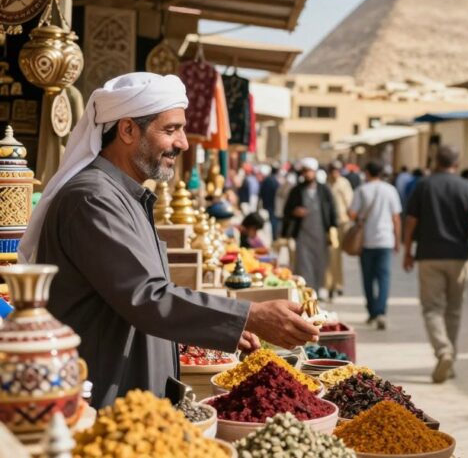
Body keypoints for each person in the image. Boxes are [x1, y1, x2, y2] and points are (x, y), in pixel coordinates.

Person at [18, 72, 319, 408]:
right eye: (171, 129)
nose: (183, 143)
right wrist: (247, 316)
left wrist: (227, 325)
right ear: (128, 129)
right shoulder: (92, 198)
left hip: (133, 397)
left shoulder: (124, 195)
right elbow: (146, 296)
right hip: (105, 399)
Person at [403, 146, 468, 383]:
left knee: (431, 308)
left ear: (434, 160)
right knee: (453, 310)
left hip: (429, 255)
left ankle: (443, 351)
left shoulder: (424, 185)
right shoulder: (467, 187)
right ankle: (449, 357)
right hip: (459, 256)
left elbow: (411, 220)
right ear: (458, 161)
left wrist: (407, 250)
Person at [349, 161, 402, 330]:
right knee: (384, 278)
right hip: (386, 240)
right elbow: (396, 218)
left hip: (366, 241)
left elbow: (352, 213)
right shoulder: (390, 190)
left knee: (368, 278)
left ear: (367, 173)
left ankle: (372, 312)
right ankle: (381, 312)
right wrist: (397, 239)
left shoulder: (361, 190)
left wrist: (360, 218)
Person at [282, 158, 339, 295]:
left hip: (320, 234)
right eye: (305, 171)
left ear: (315, 172)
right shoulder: (296, 190)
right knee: (303, 265)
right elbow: (287, 210)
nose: (307, 174)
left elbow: (332, 209)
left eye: (310, 171)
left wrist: (333, 229)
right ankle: (307, 292)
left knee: (320, 264)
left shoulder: (324, 190)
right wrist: (295, 212)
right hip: (303, 234)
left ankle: (318, 291)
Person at [326, 161, 354, 299]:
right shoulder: (326, 184)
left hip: (342, 222)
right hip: (331, 224)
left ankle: (338, 284)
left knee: (338, 256)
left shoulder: (343, 183)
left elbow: (349, 203)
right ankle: (332, 285)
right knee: (332, 255)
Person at [258, 164, 281, 239]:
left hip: (268, 204)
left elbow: (261, 193)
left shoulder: (267, 180)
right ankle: (273, 237)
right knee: (272, 223)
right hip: (272, 205)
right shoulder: (275, 181)